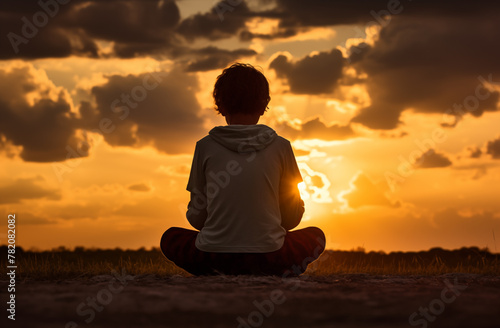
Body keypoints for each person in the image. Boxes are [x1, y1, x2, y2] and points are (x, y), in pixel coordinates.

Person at [160, 63, 325, 276]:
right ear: (264, 102)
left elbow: (197, 218)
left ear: (220, 102)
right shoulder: (281, 147)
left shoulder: (205, 146)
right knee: (316, 236)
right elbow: (291, 219)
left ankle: (215, 270)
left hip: (215, 257)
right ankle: (276, 270)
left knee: (170, 238)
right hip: (271, 256)